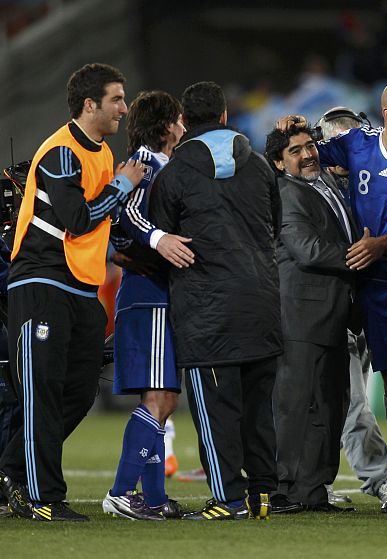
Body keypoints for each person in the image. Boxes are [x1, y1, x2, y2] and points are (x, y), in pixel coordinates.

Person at [0, 63, 144, 521]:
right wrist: (123, 184)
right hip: (42, 281)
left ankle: (10, 471)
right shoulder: (62, 151)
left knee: (79, 392)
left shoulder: (102, 152)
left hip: (81, 288)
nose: (124, 108)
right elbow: (78, 220)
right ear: (89, 104)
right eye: (116, 99)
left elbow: (100, 223)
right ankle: (42, 498)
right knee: (42, 391)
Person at [278, 81, 387, 513]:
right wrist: (294, 127)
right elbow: (302, 157)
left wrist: (384, 244)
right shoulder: (357, 144)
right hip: (366, 288)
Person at [149, 81, 282, 521]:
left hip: (207, 309)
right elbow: (275, 226)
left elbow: (164, 240)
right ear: (225, 116)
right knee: (259, 410)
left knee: (216, 412)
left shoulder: (173, 174)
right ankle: (263, 494)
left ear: (185, 121)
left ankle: (227, 498)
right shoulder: (259, 166)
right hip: (262, 301)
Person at [102, 90, 191, 521]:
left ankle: (154, 498)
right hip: (147, 296)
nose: (185, 127)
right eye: (179, 119)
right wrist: (160, 239)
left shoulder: (162, 165)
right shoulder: (144, 161)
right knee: (159, 397)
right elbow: (125, 214)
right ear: (166, 125)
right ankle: (121, 493)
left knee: (165, 399)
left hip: (156, 294)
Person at [265, 124, 358, 513]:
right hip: (299, 316)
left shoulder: (325, 184)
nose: (307, 155)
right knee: (295, 406)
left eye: (309, 146)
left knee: (330, 406)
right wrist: (363, 254)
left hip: (332, 314)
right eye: (295, 150)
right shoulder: (286, 192)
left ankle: (314, 489)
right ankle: (283, 490)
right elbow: (307, 249)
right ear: (278, 162)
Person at [317, 106, 387, 505]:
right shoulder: (315, 191)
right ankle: (378, 478)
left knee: (350, 398)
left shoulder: (373, 180)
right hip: (331, 310)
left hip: (371, 304)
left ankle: (314, 480)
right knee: (350, 400)